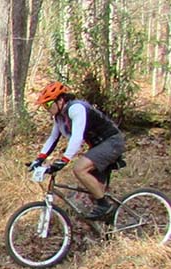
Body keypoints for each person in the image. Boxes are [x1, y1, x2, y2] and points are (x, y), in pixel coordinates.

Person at [29, 82, 127, 219]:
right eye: (45, 106)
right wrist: (38, 159)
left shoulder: (76, 108)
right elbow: (53, 138)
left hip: (112, 142)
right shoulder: (59, 117)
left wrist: (64, 160)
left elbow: (77, 137)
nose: (47, 109)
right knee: (95, 190)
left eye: (49, 104)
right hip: (99, 145)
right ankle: (108, 228)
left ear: (60, 100)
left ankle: (105, 205)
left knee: (79, 169)